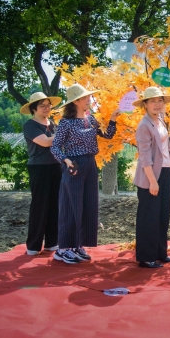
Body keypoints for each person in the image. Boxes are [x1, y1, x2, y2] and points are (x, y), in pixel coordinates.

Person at [50, 84, 118, 264]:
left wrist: (113, 119)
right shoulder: (66, 123)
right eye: (86, 97)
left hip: (90, 164)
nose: (89, 99)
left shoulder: (91, 119)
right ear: (76, 101)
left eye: (89, 97)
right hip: (74, 165)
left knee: (88, 205)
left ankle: (78, 244)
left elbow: (108, 135)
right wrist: (65, 160)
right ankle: (63, 249)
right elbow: (55, 147)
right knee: (71, 206)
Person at [132, 87, 170, 268]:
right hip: (151, 175)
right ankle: (146, 257)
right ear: (145, 104)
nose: (157, 104)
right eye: (152, 101)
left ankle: (160, 253)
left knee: (162, 215)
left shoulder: (160, 120)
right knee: (148, 217)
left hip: (165, 171)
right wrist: (152, 181)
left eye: (160, 101)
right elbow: (145, 157)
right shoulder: (144, 125)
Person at [21, 92, 63, 256]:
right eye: (42, 106)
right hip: (39, 168)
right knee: (40, 206)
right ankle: (33, 245)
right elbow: (45, 142)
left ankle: (52, 242)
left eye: (48, 105)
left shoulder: (52, 124)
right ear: (34, 108)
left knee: (54, 205)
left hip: (56, 166)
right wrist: (64, 132)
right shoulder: (30, 125)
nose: (46, 108)